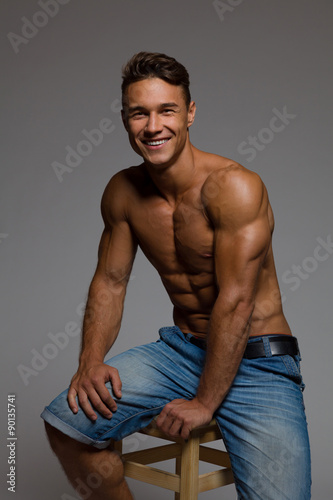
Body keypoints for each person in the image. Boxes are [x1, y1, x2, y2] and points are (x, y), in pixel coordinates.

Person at [41, 52, 311, 499]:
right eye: (139, 113)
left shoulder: (234, 188)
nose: (153, 126)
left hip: (258, 361)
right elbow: (110, 281)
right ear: (125, 119)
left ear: (189, 114)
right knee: (67, 426)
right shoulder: (123, 192)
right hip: (182, 354)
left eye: (166, 110)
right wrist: (90, 360)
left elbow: (236, 302)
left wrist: (205, 403)